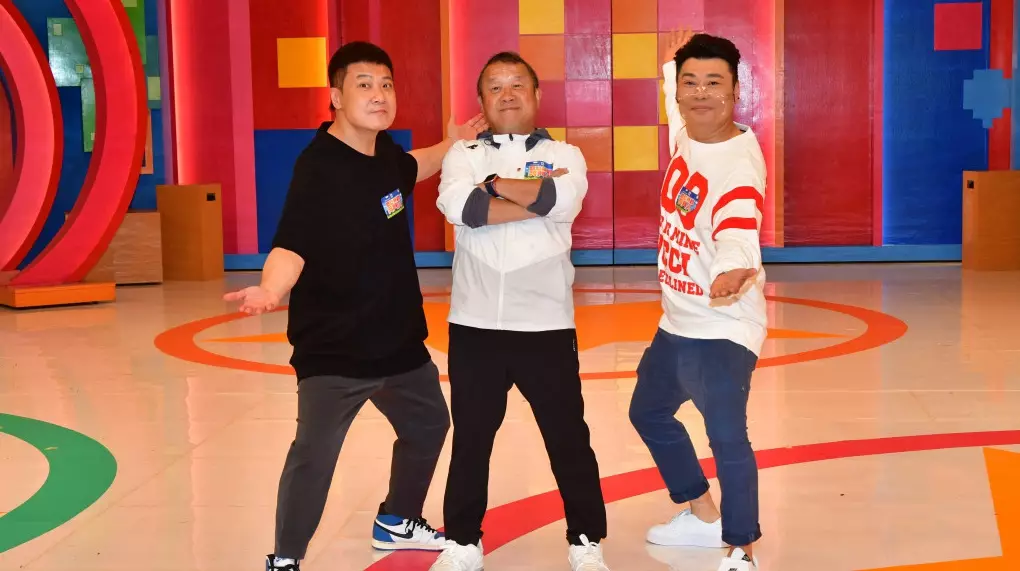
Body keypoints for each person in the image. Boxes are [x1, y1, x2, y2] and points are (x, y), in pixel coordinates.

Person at [221, 41, 488, 571]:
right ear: (336, 97)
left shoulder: (385, 152)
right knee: (314, 456)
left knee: (429, 424)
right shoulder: (318, 167)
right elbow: (291, 243)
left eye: (386, 84)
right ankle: (285, 559)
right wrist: (272, 288)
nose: (379, 94)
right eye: (364, 84)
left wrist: (451, 142)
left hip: (396, 341)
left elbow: (414, 166)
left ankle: (397, 520)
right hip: (335, 348)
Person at [427, 52, 610, 571]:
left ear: (536, 94)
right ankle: (463, 542)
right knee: (471, 440)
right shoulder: (462, 153)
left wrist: (494, 187)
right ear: (481, 100)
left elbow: (561, 202)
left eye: (516, 85)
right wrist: (532, 202)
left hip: (546, 325)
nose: (506, 94)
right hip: (475, 325)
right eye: (495, 87)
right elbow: (462, 209)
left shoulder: (566, 153)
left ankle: (586, 540)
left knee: (567, 437)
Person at [627, 29, 767, 571]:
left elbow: (739, 222)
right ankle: (703, 515)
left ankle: (740, 549)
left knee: (727, 437)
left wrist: (732, 269)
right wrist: (671, 67)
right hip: (678, 321)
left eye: (714, 83)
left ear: (736, 91)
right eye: (691, 83)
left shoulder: (738, 165)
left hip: (723, 327)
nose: (700, 93)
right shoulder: (686, 133)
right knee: (648, 412)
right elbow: (675, 103)